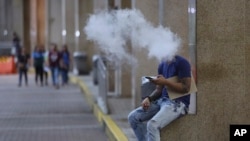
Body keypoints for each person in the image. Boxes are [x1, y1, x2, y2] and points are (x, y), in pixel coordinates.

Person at [128, 55, 191, 141]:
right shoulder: (162, 64)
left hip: (178, 104)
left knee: (152, 125)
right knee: (132, 117)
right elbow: (159, 90)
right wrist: (149, 98)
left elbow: (186, 88)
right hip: (162, 101)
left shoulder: (182, 63)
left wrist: (166, 82)